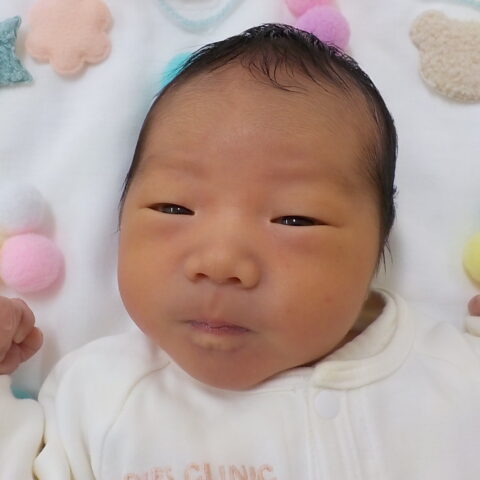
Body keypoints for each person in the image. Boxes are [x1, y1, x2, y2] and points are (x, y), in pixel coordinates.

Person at [0, 24, 479, 480]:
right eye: (174, 208)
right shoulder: (101, 395)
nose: (220, 263)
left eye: (295, 220)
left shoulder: (453, 378)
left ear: (378, 246)